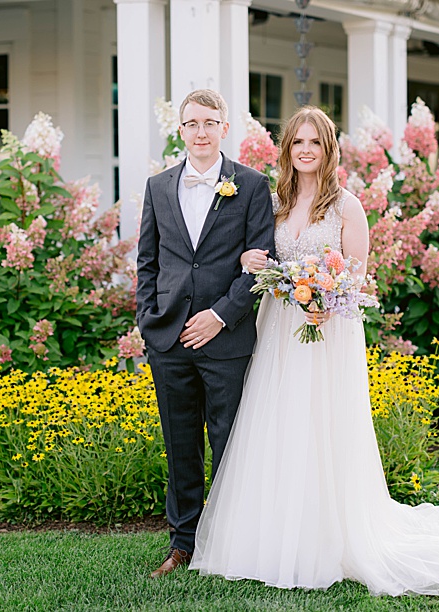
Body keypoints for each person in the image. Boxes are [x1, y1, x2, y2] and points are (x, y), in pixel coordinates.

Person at [190, 106, 439, 595]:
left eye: (314, 142)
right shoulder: (273, 203)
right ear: (287, 149)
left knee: (320, 427)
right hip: (278, 328)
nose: (305, 150)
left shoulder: (347, 206)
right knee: (277, 425)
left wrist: (326, 301)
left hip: (326, 332)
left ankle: (328, 537)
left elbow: (357, 275)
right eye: (297, 142)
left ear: (329, 148)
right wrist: (251, 259)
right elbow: (262, 258)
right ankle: (273, 535)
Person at [136, 89, 276, 578]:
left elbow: (261, 263)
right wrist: (149, 323)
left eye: (209, 122)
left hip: (226, 339)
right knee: (180, 446)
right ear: (181, 131)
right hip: (169, 339)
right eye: (191, 123)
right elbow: (148, 262)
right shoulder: (158, 187)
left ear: (224, 128)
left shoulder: (253, 185)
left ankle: (235, 543)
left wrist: (220, 315)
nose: (200, 131)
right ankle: (183, 545)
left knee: (230, 443)